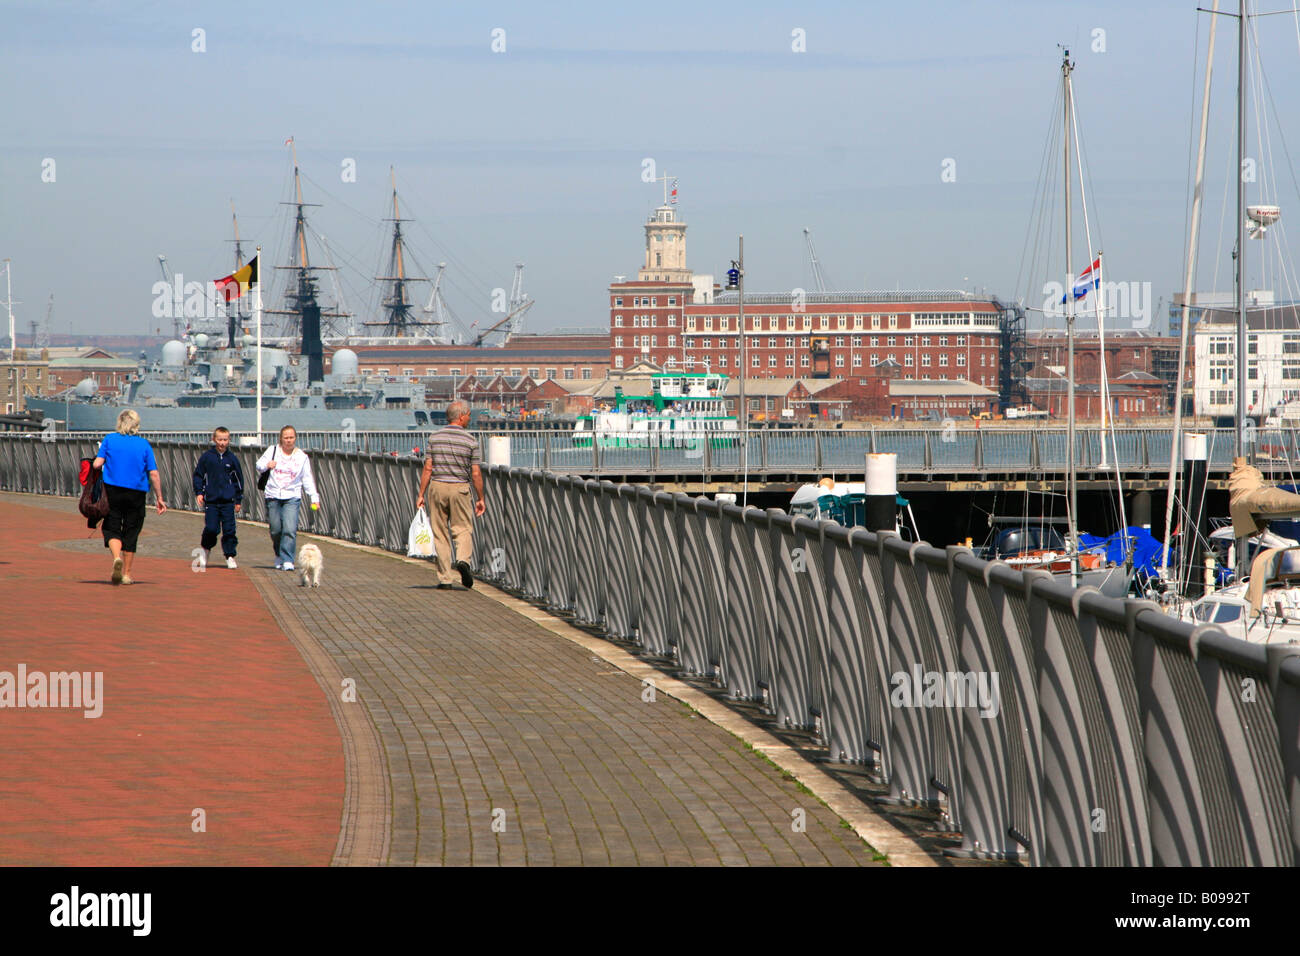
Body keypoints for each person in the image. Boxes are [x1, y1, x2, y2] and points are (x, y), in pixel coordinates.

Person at [416, 401, 486, 590]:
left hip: (437, 487)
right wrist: (481, 498)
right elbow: (476, 473)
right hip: (460, 488)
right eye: (469, 415)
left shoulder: (434, 438)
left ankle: (445, 579)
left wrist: (421, 494)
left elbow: (428, 468)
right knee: (462, 529)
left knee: (440, 534)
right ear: (461, 416)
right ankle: (463, 560)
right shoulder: (471, 440)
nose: (470, 418)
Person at [92, 409, 167, 585]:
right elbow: (154, 474)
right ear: (136, 424)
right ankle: (126, 574)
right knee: (131, 532)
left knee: (112, 528)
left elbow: (97, 464)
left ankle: (116, 557)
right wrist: (159, 498)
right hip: (136, 493)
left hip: (112, 491)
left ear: (120, 422)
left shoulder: (110, 439)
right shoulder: (144, 445)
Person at [256, 425, 319, 571]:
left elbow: (307, 478)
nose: (289, 440)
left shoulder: (302, 457)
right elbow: (258, 465)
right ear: (281, 439)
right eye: (286, 438)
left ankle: (288, 559)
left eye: (291, 437)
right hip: (273, 495)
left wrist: (314, 497)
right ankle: (279, 554)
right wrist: (267, 465)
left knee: (289, 529)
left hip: (292, 496)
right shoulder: (273, 450)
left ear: (295, 438)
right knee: (276, 530)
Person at [193, 426, 245, 569]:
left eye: (225, 440)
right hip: (212, 500)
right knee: (211, 528)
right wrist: (199, 492)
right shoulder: (207, 457)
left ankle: (230, 556)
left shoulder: (232, 459)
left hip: (228, 501)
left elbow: (238, 480)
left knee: (229, 530)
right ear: (214, 439)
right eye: (220, 439)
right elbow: (198, 475)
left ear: (229, 440)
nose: (222, 443)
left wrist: (238, 499)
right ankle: (206, 549)